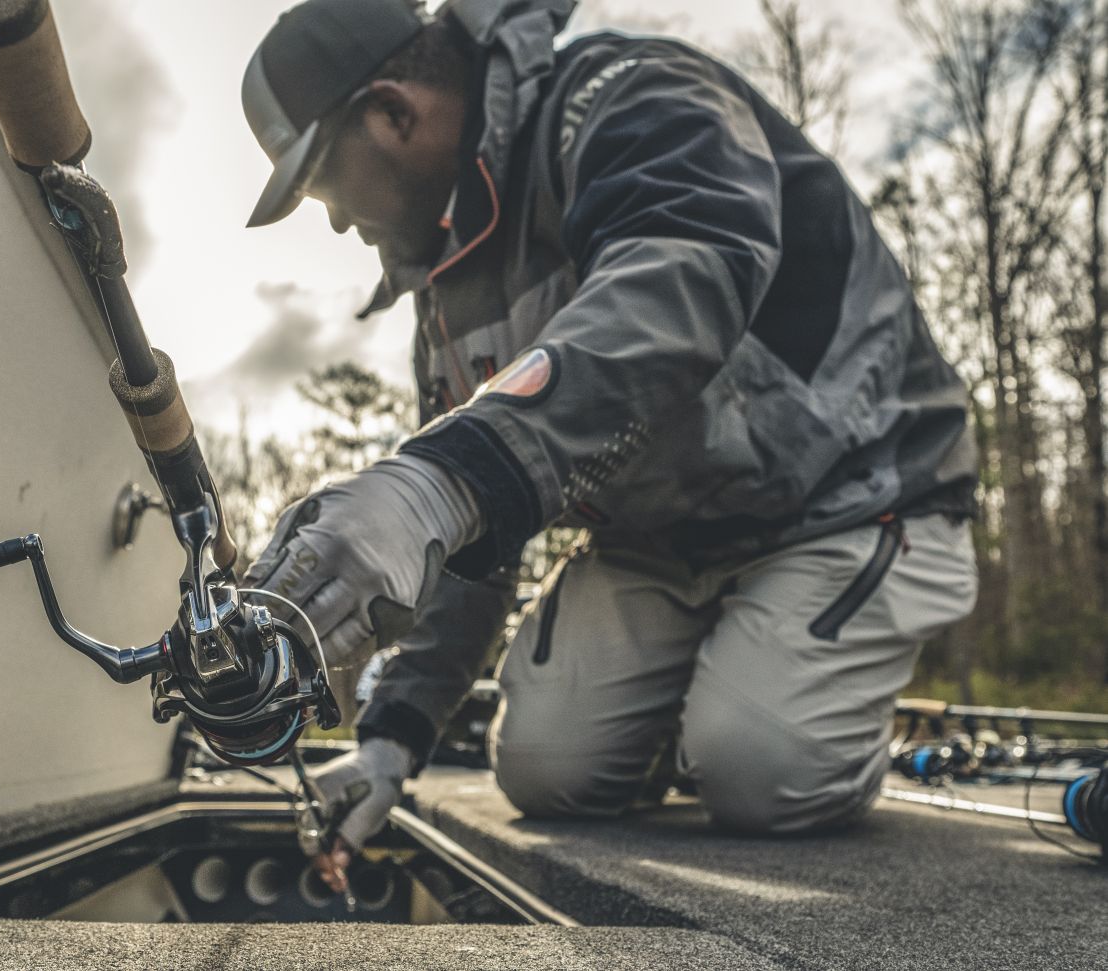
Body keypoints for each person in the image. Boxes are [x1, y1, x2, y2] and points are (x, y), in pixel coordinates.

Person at [240, 0, 979, 890]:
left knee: (759, 770)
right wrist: (392, 737)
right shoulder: (441, 300)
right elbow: (468, 536)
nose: (333, 222)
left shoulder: (629, 96)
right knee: (544, 768)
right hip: (661, 546)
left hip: (854, 499)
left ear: (394, 112)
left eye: (321, 182)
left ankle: (768, 725)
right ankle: (710, 706)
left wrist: (445, 479)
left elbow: (681, 280)